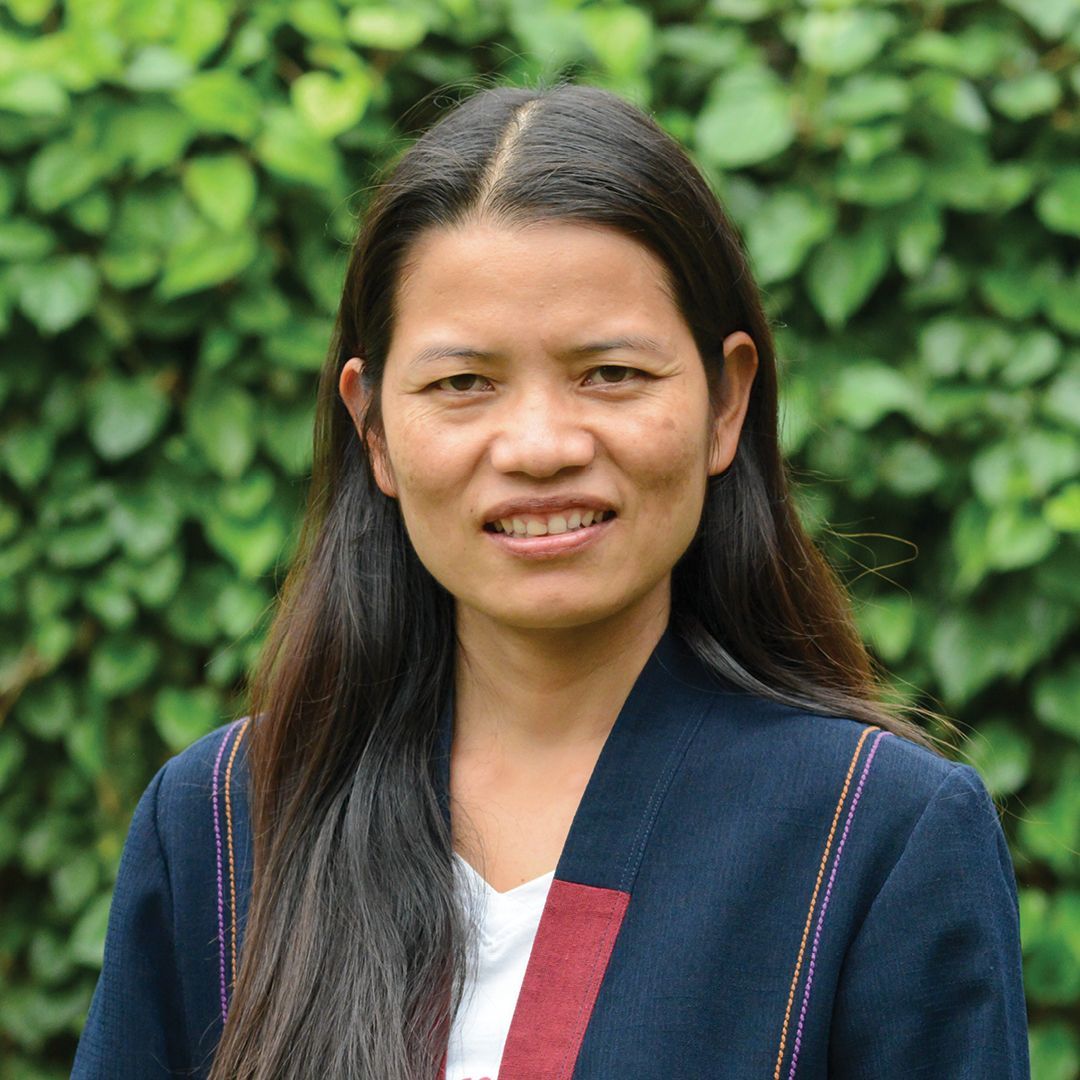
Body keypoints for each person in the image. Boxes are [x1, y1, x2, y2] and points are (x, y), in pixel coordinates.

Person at [73, 81, 1030, 1079]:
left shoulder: (874, 835)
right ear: (375, 430)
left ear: (725, 402)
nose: (537, 447)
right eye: (462, 383)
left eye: (610, 372)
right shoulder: (223, 826)